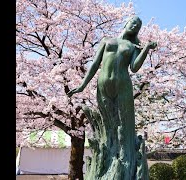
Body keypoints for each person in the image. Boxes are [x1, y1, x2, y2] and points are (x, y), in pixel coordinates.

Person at [67, 16, 156, 179]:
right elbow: (94, 64)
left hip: (123, 86)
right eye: (133, 22)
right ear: (126, 23)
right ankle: (107, 163)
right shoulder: (107, 40)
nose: (135, 26)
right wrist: (82, 85)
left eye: (138, 26)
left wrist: (146, 49)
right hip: (103, 85)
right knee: (108, 123)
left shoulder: (133, 45)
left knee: (124, 123)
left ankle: (125, 164)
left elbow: (135, 67)